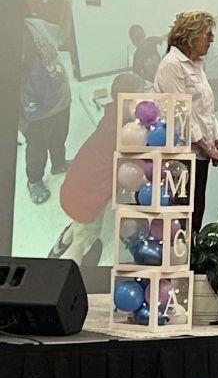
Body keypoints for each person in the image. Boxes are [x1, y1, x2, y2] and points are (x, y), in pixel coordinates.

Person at [49, 73, 147, 264]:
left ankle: (59, 246)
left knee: (78, 224)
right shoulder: (127, 133)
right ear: (129, 101)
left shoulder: (111, 114)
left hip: (74, 184)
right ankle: (72, 264)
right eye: (142, 94)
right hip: (88, 197)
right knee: (84, 239)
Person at [154, 11, 218, 233]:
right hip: (182, 155)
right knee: (181, 217)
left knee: (196, 213)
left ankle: (192, 252)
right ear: (189, 34)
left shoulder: (196, 65)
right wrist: (208, 148)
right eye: (207, 33)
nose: (211, 39)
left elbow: (206, 111)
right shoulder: (172, 65)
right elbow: (180, 114)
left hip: (200, 154)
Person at [20, 16, 72, 204]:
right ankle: (34, 182)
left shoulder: (34, 23)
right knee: (36, 148)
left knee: (59, 136)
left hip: (60, 98)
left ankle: (58, 164)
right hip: (35, 110)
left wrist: (66, 7)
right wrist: (20, 122)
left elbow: (62, 34)